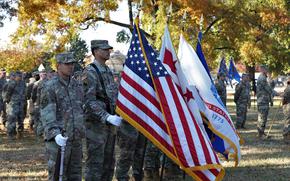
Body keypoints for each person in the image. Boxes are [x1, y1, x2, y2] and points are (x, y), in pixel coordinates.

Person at [40, 52, 85, 181]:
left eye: (72, 64)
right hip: (59, 139)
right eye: (67, 64)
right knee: (57, 174)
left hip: (76, 137)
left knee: (76, 174)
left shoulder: (76, 85)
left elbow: (81, 108)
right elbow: (47, 113)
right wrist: (55, 134)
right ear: (58, 65)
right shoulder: (50, 86)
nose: (71, 66)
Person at [83, 40, 122, 181]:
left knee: (109, 162)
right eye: (104, 49)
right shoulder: (90, 72)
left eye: (108, 49)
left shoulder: (107, 71)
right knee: (95, 163)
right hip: (96, 124)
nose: (108, 52)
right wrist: (106, 116)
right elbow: (89, 101)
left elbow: (112, 95)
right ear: (96, 51)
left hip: (109, 123)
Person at [3, 71, 26, 139]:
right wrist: (7, 101)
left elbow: (24, 91)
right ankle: (11, 134)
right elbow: (6, 94)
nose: (20, 77)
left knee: (20, 119)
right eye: (19, 76)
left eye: (21, 76)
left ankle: (20, 133)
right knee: (12, 119)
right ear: (15, 77)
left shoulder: (22, 83)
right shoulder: (10, 83)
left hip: (21, 103)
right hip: (13, 104)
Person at [256, 65, 273, 138]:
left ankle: (261, 132)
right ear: (262, 70)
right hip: (262, 100)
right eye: (266, 69)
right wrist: (278, 93)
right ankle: (260, 133)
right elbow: (268, 89)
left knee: (262, 117)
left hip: (263, 100)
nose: (267, 71)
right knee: (262, 117)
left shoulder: (263, 77)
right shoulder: (262, 78)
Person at [282, 78, 290, 143]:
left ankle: (287, 135)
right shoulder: (288, 88)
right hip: (288, 106)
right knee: (287, 121)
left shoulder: (287, 88)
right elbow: (284, 98)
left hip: (287, 105)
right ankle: (286, 135)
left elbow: (284, 98)